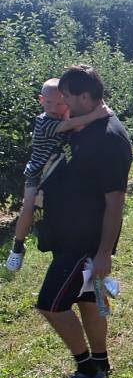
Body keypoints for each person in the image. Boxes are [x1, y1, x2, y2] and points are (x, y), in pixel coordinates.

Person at [35, 65, 133, 378]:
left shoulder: (108, 138)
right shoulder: (85, 124)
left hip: (83, 243)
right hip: (66, 236)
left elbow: (115, 203)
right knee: (90, 303)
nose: (62, 102)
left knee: (50, 305)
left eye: (67, 97)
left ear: (86, 97)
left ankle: (87, 369)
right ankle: (101, 363)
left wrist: (104, 252)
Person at [6, 79, 112, 272]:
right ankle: (18, 246)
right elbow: (72, 125)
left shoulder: (67, 116)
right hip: (37, 174)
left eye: (60, 103)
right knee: (28, 207)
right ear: (41, 100)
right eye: (49, 103)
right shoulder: (43, 122)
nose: (54, 108)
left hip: (56, 174)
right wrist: (97, 114)